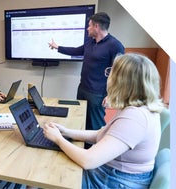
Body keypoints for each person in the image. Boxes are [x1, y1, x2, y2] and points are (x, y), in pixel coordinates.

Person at [42, 53, 164, 188]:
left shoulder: (135, 118)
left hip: (112, 181)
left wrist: (59, 139)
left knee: (44, 173)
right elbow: (101, 135)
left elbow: (88, 161)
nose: (108, 76)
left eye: (111, 71)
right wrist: (66, 132)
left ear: (122, 81)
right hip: (112, 174)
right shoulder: (138, 109)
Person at [48, 12, 125, 134]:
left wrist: (111, 94)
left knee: (95, 125)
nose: (87, 28)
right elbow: (76, 51)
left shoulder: (115, 46)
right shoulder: (90, 42)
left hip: (97, 93)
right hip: (82, 89)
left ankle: (96, 150)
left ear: (96, 26)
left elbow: (119, 73)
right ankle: (83, 148)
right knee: (81, 120)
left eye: (89, 26)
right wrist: (58, 47)